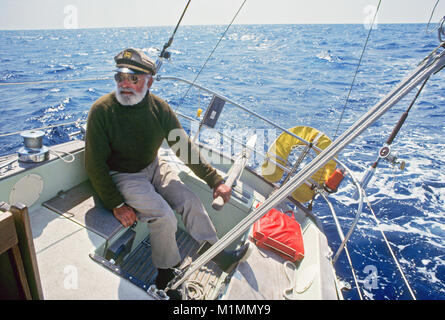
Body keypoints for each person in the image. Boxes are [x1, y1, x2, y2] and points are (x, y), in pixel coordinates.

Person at [85, 48, 249, 296]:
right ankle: (166, 276)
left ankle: (215, 253)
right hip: (123, 174)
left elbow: (183, 147)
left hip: (154, 165)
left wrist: (215, 180)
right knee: (164, 216)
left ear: (149, 81)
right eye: (120, 76)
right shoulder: (102, 110)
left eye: (133, 78)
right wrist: (115, 203)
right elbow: (94, 164)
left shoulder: (159, 109)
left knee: (190, 200)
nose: (125, 83)